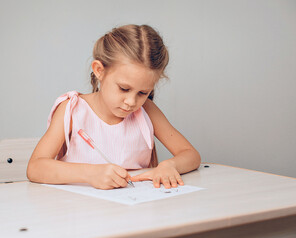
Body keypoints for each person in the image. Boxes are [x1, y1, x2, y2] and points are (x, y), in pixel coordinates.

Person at [27, 24, 201, 190]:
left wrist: (169, 165)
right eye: (124, 89)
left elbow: (191, 154)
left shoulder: (146, 110)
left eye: (143, 93)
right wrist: (90, 174)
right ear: (99, 70)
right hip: (78, 213)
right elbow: (35, 168)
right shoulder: (72, 109)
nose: (131, 102)